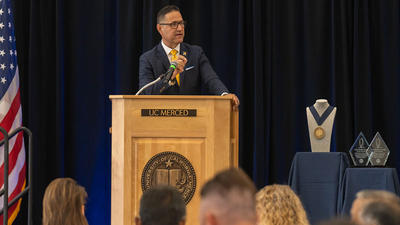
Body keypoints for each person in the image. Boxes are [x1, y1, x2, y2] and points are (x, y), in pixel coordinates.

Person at [139, 5, 240, 108]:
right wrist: (170, 77)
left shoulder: (195, 53)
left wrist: (224, 94)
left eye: (181, 23)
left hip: (192, 117)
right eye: (174, 24)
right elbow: (146, 93)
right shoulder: (148, 59)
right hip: (160, 118)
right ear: (160, 28)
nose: (180, 28)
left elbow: (211, 79)